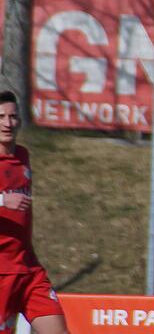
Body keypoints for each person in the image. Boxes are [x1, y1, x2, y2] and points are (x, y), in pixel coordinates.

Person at [0, 91, 69, 334]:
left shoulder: (22, 156)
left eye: (12, 116)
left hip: (28, 270)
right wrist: (2, 200)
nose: (8, 123)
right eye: (1, 117)